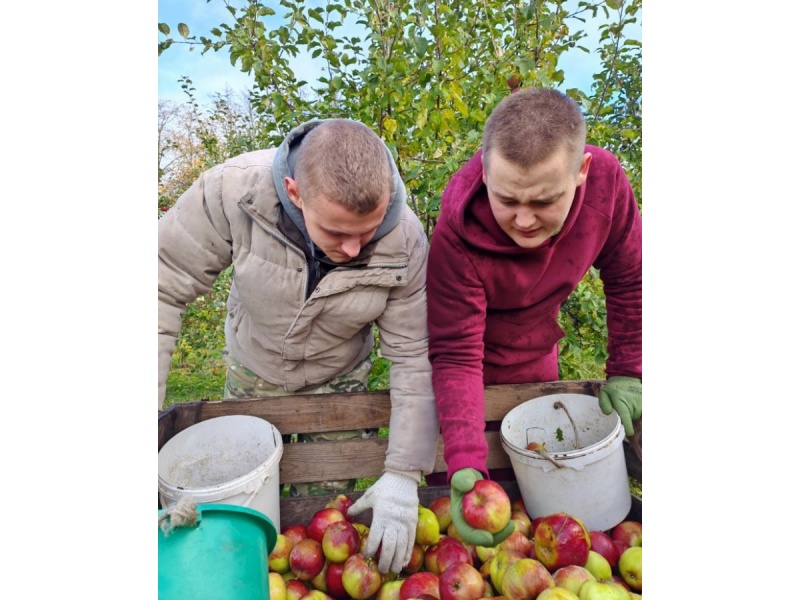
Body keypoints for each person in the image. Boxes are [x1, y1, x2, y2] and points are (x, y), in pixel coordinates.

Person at [158, 118, 439, 574]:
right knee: (242, 503)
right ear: (294, 193)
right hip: (254, 364)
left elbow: (412, 354)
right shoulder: (234, 193)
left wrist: (405, 473)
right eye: (336, 232)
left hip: (339, 379)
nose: (353, 249)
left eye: (367, 231)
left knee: (323, 512)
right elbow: (159, 286)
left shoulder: (404, 239)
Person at [426, 86, 642, 546]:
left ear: (582, 172)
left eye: (544, 202)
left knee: (536, 481)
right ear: (485, 172)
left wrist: (629, 370)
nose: (523, 220)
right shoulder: (457, 233)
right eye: (507, 200)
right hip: (463, 380)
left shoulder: (607, 188)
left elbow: (631, 280)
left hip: (535, 356)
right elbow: (456, 354)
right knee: (461, 500)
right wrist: (464, 459)